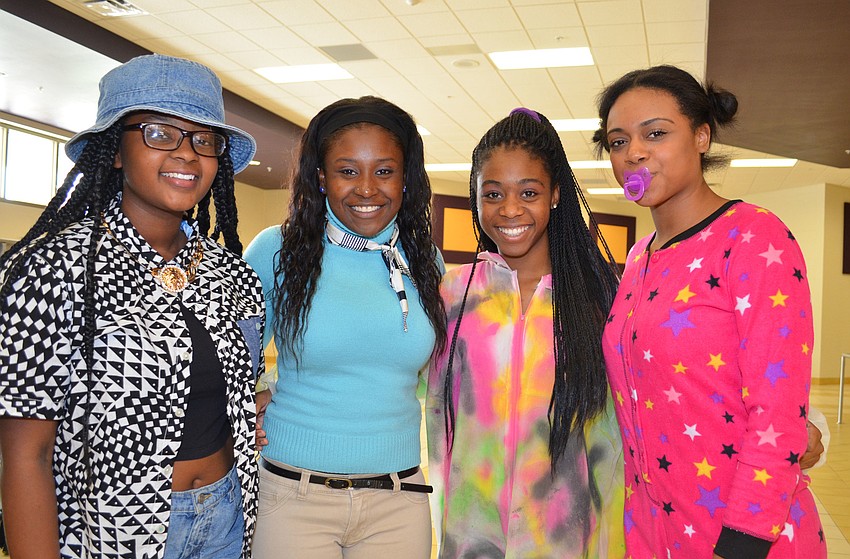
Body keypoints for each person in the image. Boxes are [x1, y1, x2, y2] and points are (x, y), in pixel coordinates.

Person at [0, 54, 265, 559]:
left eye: (203, 139)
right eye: (159, 133)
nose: (187, 153)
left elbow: (234, 393)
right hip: (115, 532)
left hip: (229, 520)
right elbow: (26, 455)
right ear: (116, 151)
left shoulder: (233, 274)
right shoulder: (54, 268)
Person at [593, 65, 826, 558]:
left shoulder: (754, 237)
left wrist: (742, 544)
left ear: (701, 136)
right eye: (618, 142)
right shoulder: (638, 258)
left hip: (743, 537)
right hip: (654, 531)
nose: (633, 153)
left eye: (656, 134)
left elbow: (777, 408)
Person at [244, 95, 447, 558]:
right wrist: (248, 401)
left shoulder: (424, 260)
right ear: (321, 177)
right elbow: (229, 357)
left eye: (384, 170)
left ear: (406, 178)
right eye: (348, 171)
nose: (367, 189)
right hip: (293, 497)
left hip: (399, 499)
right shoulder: (277, 251)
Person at [426, 108, 625, 558]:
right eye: (493, 193)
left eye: (529, 192)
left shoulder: (598, 302)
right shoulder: (453, 297)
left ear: (555, 194)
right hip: (471, 538)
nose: (510, 209)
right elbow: (395, 383)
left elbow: (626, 425)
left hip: (565, 540)